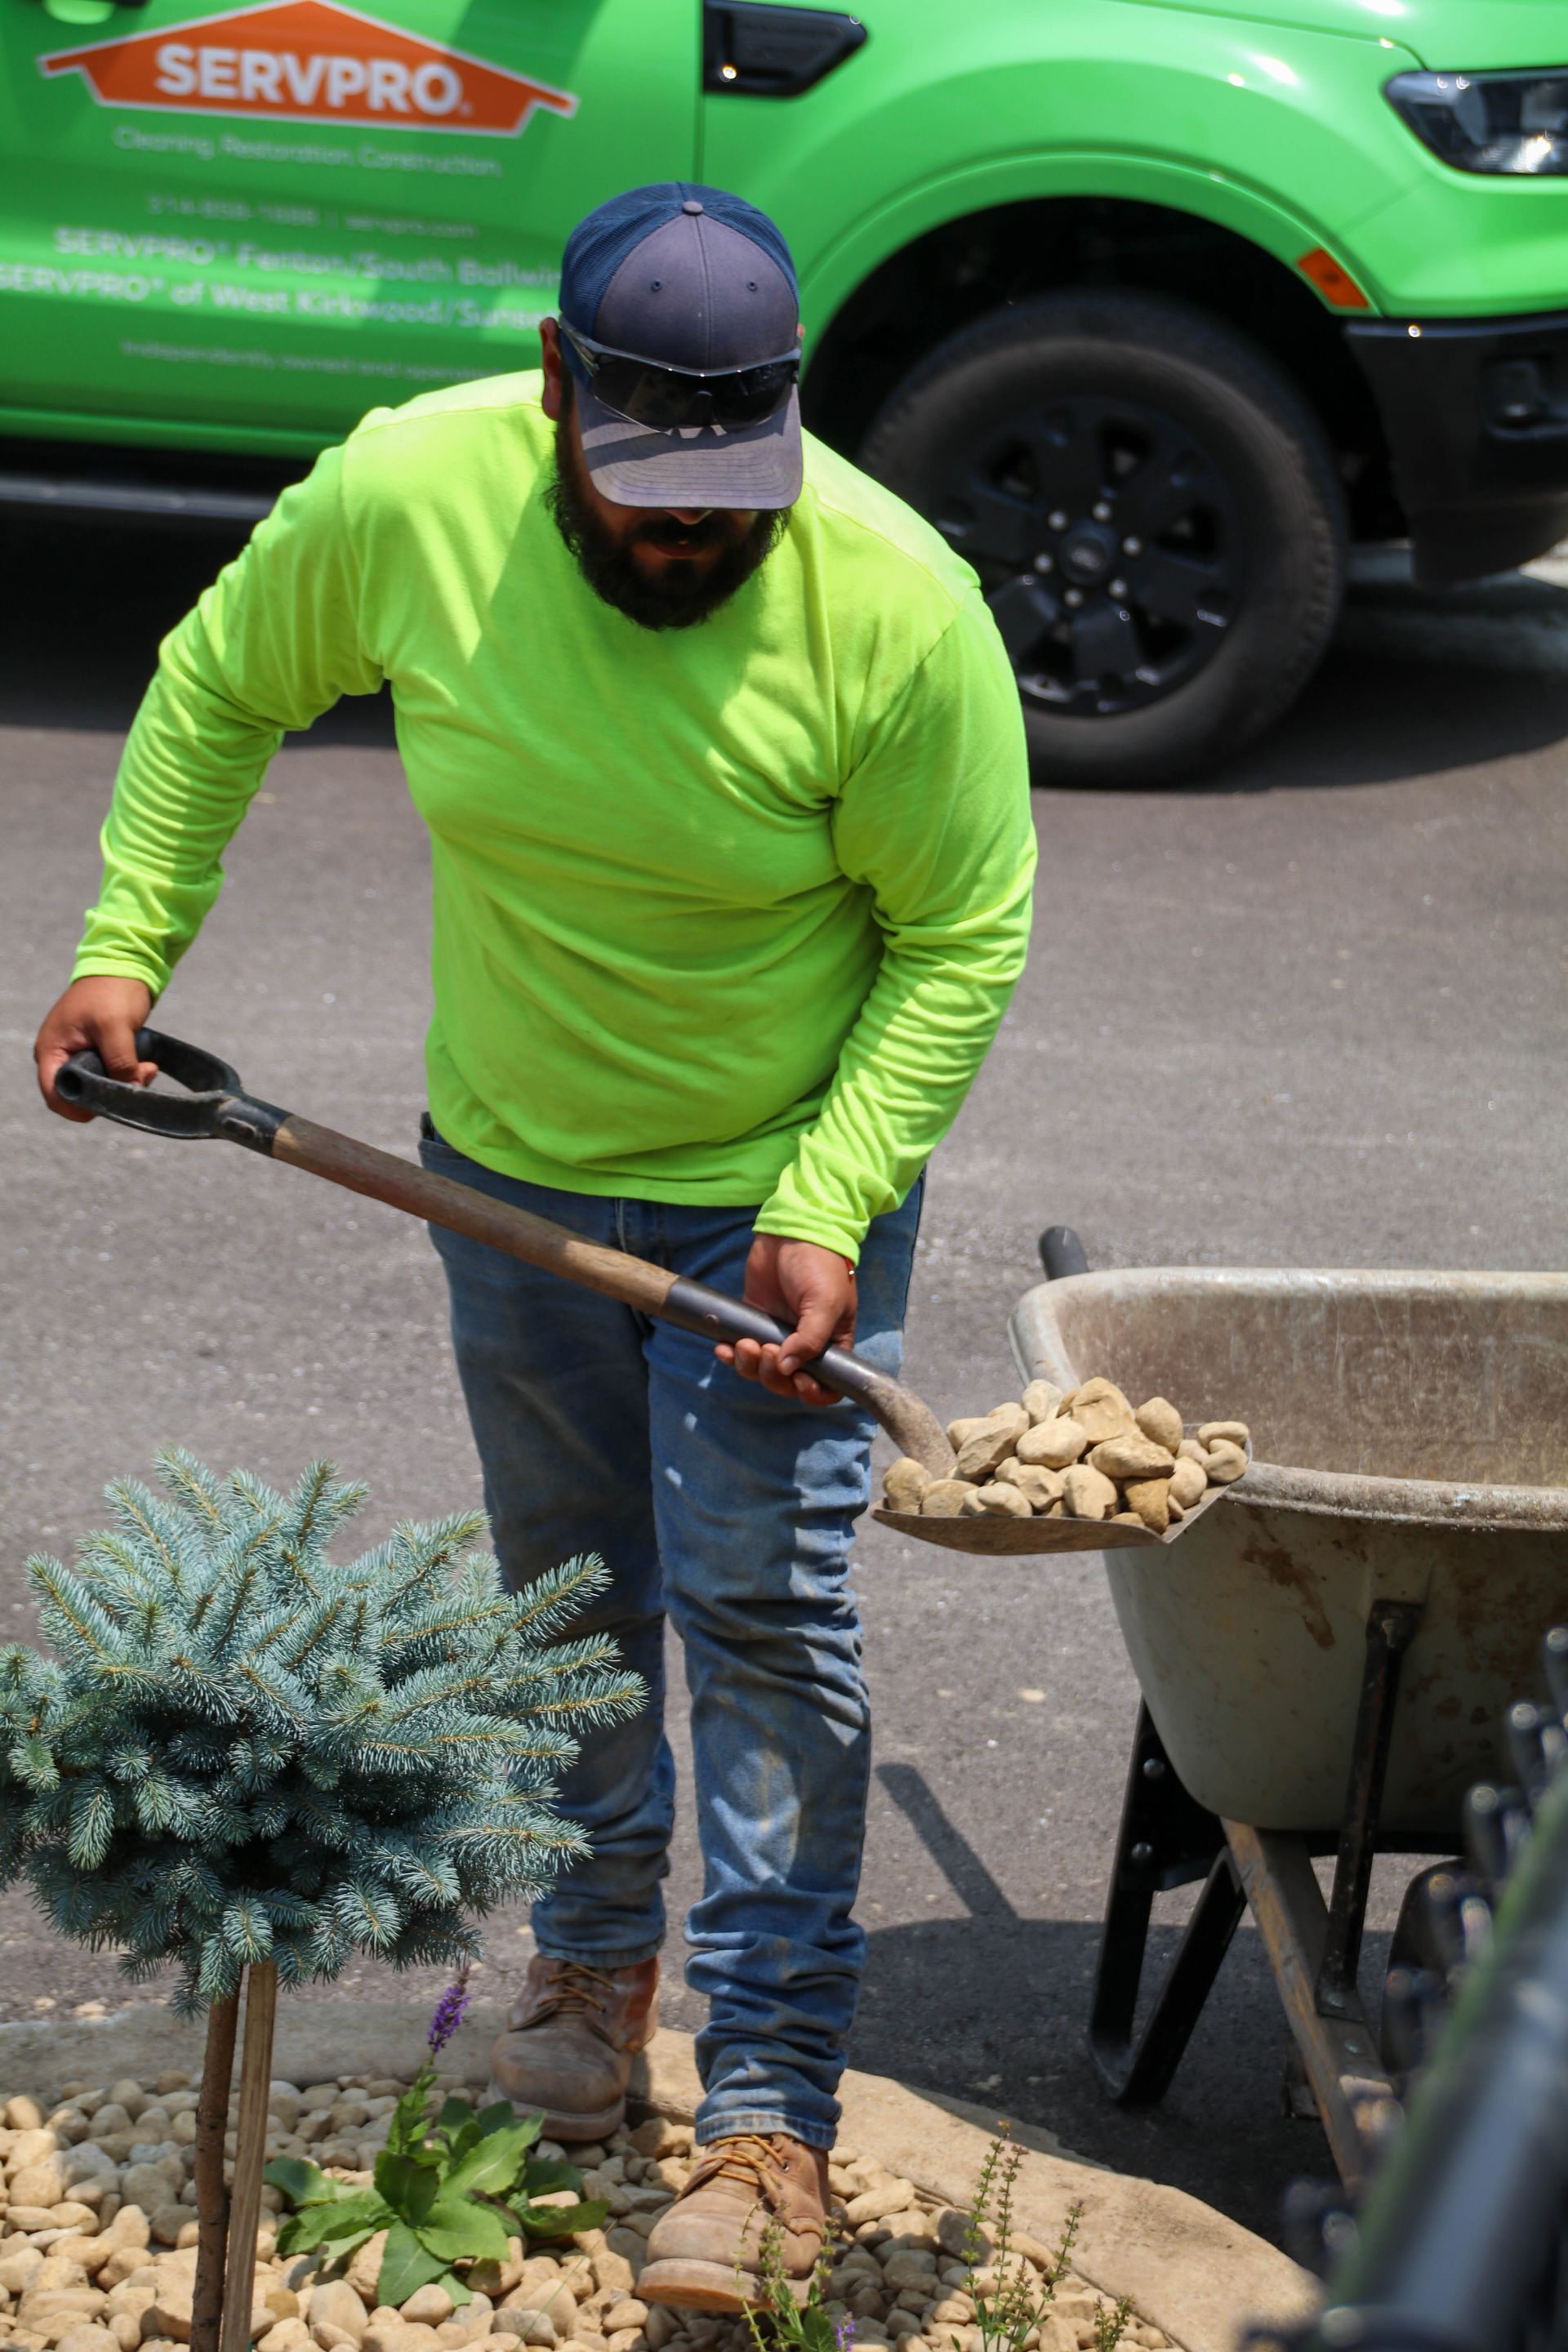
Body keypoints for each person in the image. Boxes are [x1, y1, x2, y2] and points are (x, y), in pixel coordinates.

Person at [34, 184, 1036, 2308]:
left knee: (765, 1620)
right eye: (650, 493)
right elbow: (220, 685)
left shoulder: (894, 601)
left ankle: (766, 2120)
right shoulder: (410, 496)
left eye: (728, 501)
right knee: (570, 1593)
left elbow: (961, 932)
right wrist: (129, 944)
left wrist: (832, 1198)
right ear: (560, 390)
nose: (689, 539)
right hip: (501, 1169)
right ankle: (593, 1994)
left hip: (782, 1195)